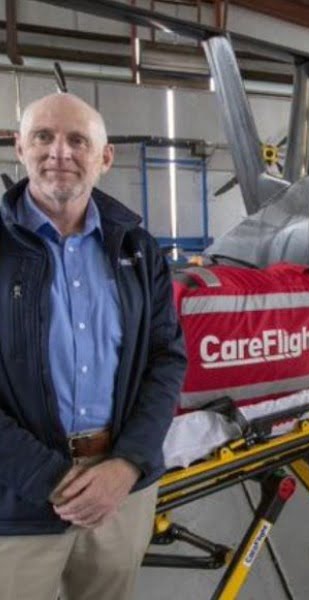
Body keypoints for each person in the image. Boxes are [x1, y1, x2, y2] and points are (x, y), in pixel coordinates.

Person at [0, 93, 186, 599]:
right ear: (20, 148)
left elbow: (166, 359)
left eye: (77, 140)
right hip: (15, 500)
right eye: (43, 136)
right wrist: (48, 477)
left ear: (104, 159)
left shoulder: (137, 250)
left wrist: (127, 465)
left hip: (119, 493)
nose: (59, 152)